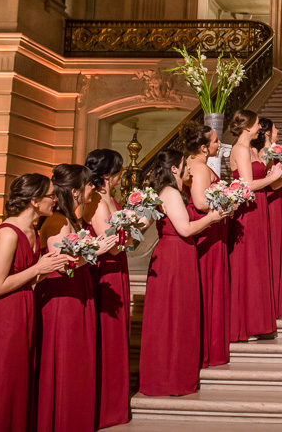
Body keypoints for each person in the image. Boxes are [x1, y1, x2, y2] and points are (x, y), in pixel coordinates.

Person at [0, 174, 69, 432]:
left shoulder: (31, 229)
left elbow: (26, 277)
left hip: (23, 309)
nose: (55, 200)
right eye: (50, 195)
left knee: (18, 378)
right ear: (34, 200)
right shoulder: (9, 234)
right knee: (3, 379)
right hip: (3, 316)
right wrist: (38, 269)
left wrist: (52, 266)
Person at [139, 149, 230, 396]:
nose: (190, 169)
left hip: (179, 256)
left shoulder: (171, 193)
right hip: (174, 257)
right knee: (173, 316)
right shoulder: (170, 193)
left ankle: (173, 373)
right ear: (175, 170)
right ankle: (169, 378)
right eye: (185, 165)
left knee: (177, 316)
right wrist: (211, 218)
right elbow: (186, 229)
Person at [35, 164, 118, 432]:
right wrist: (99, 250)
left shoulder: (72, 218)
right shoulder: (57, 221)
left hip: (78, 290)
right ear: (74, 191)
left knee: (78, 361)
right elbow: (61, 265)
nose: (92, 187)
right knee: (67, 360)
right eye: (88, 184)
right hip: (63, 298)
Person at [228, 110, 282, 340]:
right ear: (247, 127)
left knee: (258, 263)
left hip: (259, 207)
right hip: (248, 210)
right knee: (248, 264)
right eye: (257, 124)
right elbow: (247, 184)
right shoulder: (240, 149)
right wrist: (271, 179)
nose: (260, 128)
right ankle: (245, 323)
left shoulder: (252, 149)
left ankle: (259, 322)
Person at [84, 148, 131, 428]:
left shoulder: (108, 198)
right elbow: (109, 244)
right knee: (108, 334)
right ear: (108, 175)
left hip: (117, 267)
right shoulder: (99, 204)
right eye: (119, 170)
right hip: (106, 272)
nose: (121, 175)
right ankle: (106, 406)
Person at [182, 120, 230, 368]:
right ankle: (209, 346)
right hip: (207, 228)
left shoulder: (191, 162)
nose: (219, 143)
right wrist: (228, 201)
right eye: (214, 141)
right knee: (209, 282)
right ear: (203, 148)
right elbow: (201, 202)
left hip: (206, 226)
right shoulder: (200, 168)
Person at [253, 116, 282, 320]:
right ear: (267, 132)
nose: (279, 130)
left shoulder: (271, 151)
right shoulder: (266, 152)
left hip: (277, 199)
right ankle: (270, 302)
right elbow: (273, 184)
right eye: (275, 127)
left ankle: (273, 301)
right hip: (271, 200)